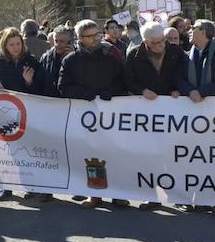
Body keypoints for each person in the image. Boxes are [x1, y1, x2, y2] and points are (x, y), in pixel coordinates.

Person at [60, 19, 128, 209]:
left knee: (113, 153)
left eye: (97, 34)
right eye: (91, 36)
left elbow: (123, 80)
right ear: (81, 38)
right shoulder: (71, 60)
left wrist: (110, 92)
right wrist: (87, 95)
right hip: (84, 118)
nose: (97, 39)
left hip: (110, 116)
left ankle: (118, 194)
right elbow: (63, 87)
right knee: (92, 156)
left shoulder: (110, 56)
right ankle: (95, 195)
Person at [124, 21, 185, 210]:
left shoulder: (176, 52)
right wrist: (142, 90)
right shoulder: (134, 55)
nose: (160, 46)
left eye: (162, 41)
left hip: (173, 112)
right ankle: (152, 196)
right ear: (146, 42)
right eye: (155, 43)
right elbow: (128, 81)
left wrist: (177, 88)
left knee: (175, 154)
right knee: (151, 155)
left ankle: (179, 195)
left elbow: (184, 75)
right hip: (148, 114)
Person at [0, 27, 45, 202]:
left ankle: (31, 186)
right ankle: (7, 188)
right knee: (6, 152)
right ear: (5, 45)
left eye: (18, 43)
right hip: (4, 112)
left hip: (26, 112)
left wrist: (29, 82)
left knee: (27, 151)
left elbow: (39, 89)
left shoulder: (31, 60)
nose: (16, 47)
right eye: (11, 44)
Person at [177, 19, 215, 102]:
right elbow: (178, 78)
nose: (189, 31)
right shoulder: (186, 55)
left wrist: (202, 92)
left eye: (193, 28)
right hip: (190, 106)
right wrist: (190, 91)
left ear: (203, 32)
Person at [40, 25, 74, 98]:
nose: (57, 44)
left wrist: (72, 59)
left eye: (61, 41)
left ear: (70, 43)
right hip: (51, 102)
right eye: (56, 41)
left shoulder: (78, 58)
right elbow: (40, 82)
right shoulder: (46, 58)